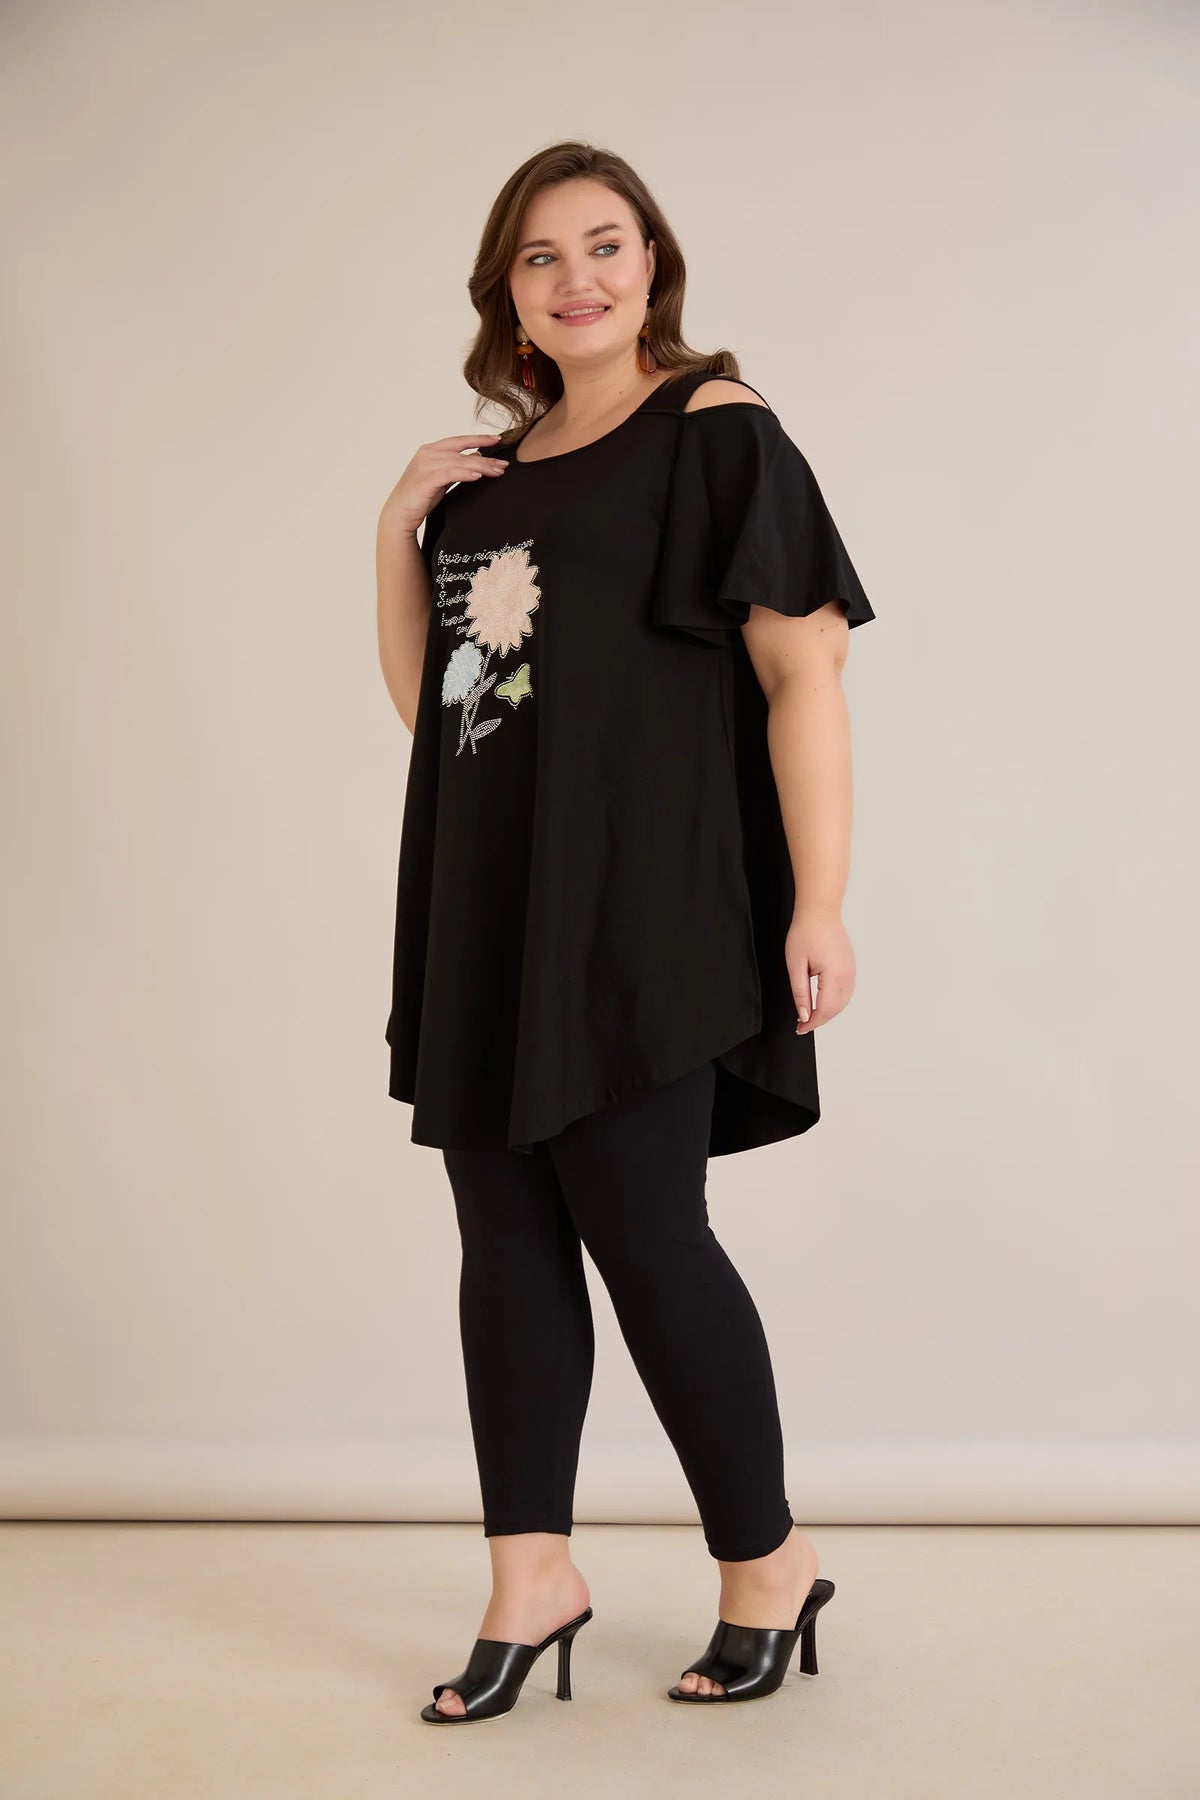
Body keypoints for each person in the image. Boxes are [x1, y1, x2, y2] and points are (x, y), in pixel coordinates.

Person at [375, 142, 874, 1723]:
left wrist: (819, 898)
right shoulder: (493, 477)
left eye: (605, 244)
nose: (577, 278)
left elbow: (803, 675)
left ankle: (768, 1563)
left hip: (652, 897)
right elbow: (449, 712)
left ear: (653, 262)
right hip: (491, 897)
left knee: (645, 1229)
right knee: (504, 1231)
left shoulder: (718, 433)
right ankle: (531, 1573)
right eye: (541, 257)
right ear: (507, 293)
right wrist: (395, 529)